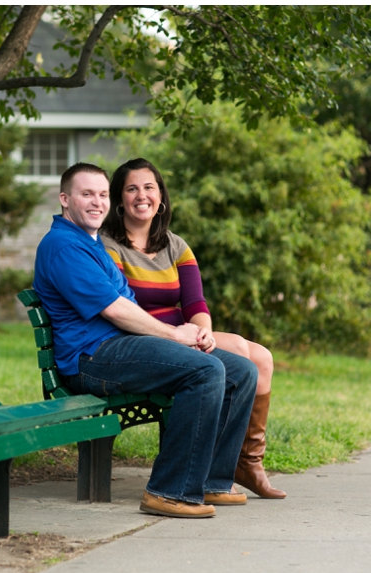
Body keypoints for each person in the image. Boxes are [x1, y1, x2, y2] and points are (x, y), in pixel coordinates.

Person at [33, 161, 258, 519]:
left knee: (242, 371)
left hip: (119, 348)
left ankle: (212, 481)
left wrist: (186, 334)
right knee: (204, 371)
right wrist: (175, 335)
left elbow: (127, 303)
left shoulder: (89, 243)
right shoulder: (64, 247)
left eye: (102, 194)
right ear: (64, 198)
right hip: (92, 358)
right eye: (86, 194)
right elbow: (115, 310)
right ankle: (169, 491)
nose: (97, 202)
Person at [101, 158, 286, 500]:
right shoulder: (110, 246)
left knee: (262, 358)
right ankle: (219, 467)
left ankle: (247, 462)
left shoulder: (175, 245)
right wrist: (178, 336)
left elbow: (195, 303)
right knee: (242, 356)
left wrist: (203, 333)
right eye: (131, 188)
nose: (141, 195)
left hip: (182, 332)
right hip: (146, 339)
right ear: (119, 200)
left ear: (161, 197)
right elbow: (124, 309)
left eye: (149, 187)